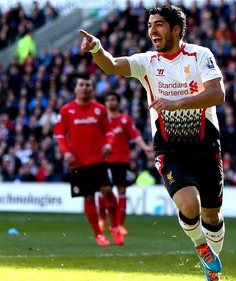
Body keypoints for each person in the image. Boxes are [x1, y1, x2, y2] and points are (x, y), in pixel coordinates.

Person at [79, 5, 225, 281]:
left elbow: (217, 94)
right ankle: (201, 248)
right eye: (149, 25)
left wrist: (176, 102)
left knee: (212, 216)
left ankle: (211, 265)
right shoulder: (147, 62)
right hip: (170, 149)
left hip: (206, 147)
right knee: (189, 205)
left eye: (158, 24)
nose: (152, 31)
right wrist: (97, 48)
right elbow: (111, 65)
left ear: (176, 29)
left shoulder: (200, 55)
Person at [53, 73, 124, 246]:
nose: (84, 88)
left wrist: (109, 144)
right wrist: (66, 152)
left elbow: (109, 131)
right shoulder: (66, 110)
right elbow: (59, 133)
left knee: (107, 190)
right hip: (78, 161)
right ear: (76, 89)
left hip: (98, 158)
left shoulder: (100, 109)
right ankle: (99, 234)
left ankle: (114, 226)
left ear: (92, 89)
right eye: (81, 85)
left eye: (88, 85)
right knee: (89, 198)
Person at [98, 91, 152, 236]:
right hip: (104, 160)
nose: (111, 102)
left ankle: (119, 225)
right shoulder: (101, 121)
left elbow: (135, 137)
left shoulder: (125, 119)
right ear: (105, 103)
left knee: (122, 191)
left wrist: (146, 148)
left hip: (122, 160)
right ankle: (102, 219)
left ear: (118, 102)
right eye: (108, 100)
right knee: (104, 190)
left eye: (113, 99)